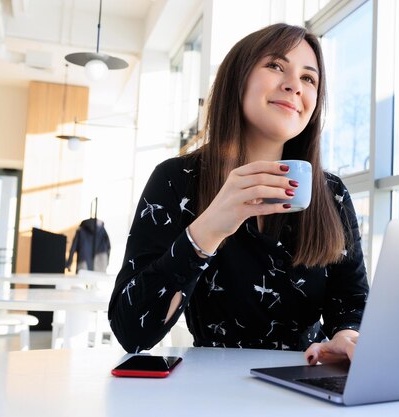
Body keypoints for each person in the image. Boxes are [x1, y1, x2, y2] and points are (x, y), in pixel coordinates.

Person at [108, 23, 369, 365]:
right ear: (238, 78)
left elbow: (351, 304)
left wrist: (347, 338)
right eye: (276, 66)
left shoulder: (331, 193)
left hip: (306, 381)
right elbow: (132, 332)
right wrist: (209, 229)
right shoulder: (177, 179)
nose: (294, 85)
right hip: (211, 388)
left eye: (309, 79)